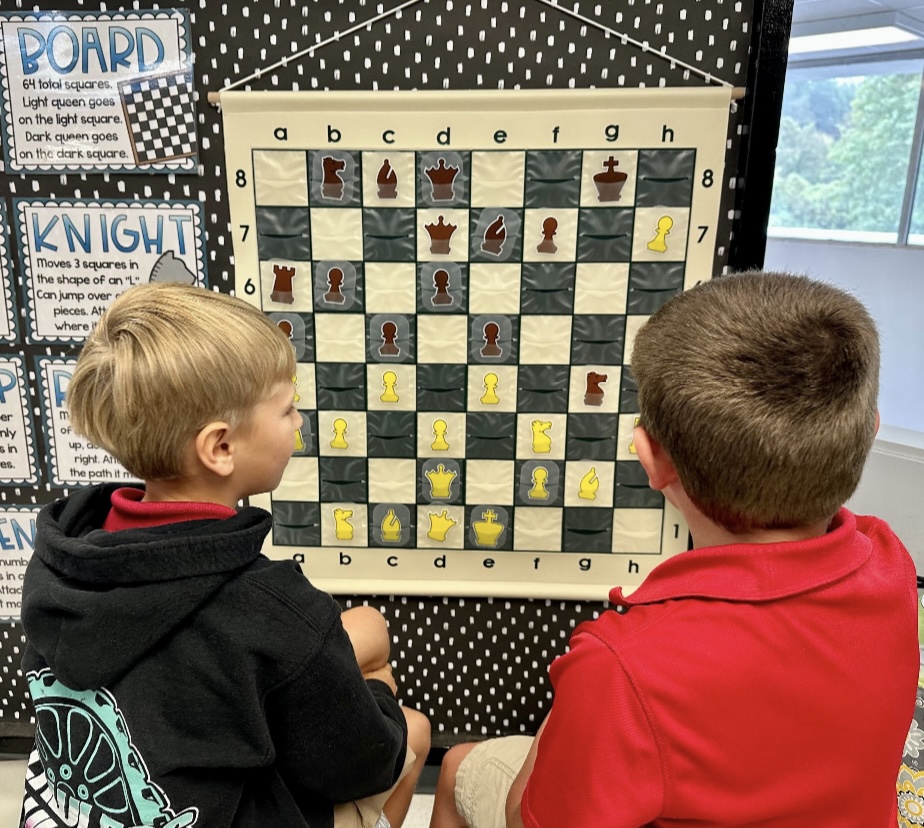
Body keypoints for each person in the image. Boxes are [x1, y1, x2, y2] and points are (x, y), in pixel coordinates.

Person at [429, 271, 919, 828]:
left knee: (460, 767)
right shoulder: (890, 561)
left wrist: (576, 698)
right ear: (872, 430)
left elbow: (531, 818)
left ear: (650, 459)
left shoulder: (622, 665)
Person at [19, 283, 430, 828]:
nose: (300, 422)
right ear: (220, 447)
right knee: (412, 727)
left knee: (364, 627)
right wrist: (377, 693)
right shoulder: (272, 608)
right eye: (287, 409)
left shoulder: (62, 560)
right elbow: (363, 766)